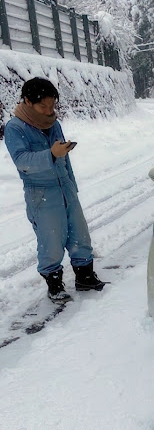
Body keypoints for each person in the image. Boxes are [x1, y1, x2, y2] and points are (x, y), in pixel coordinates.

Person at [4, 77, 105, 303]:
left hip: (65, 187)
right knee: (51, 239)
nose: (49, 111)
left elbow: (64, 158)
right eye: (43, 106)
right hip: (41, 192)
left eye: (52, 106)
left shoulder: (53, 123)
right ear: (28, 102)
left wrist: (72, 184)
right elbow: (21, 161)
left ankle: (85, 276)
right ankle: (55, 284)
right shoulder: (15, 127)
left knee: (80, 233)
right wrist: (51, 154)